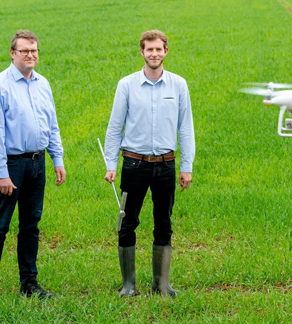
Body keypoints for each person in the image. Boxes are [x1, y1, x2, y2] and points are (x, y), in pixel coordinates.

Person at [104, 30, 195, 297]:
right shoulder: (127, 85)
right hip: (134, 165)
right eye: (149, 49)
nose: (154, 54)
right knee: (127, 221)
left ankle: (161, 284)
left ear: (166, 51)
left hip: (166, 166)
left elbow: (186, 128)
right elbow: (114, 127)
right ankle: (128, 285)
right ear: (142, 52)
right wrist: (111, 163)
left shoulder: (178, 85)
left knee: (163, 223)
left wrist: (186, 167)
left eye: (159, 49)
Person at [0, 29, 66, 299]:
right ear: (12, 53)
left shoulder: (43, 84)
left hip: (37, 163)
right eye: (24, 51)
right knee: (0, 224)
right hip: (11, 166)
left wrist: (57, 159)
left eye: (34, 51)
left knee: (31, 225)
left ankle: (29, 284)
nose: (30, 55)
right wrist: (2, 174)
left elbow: (52, 125)